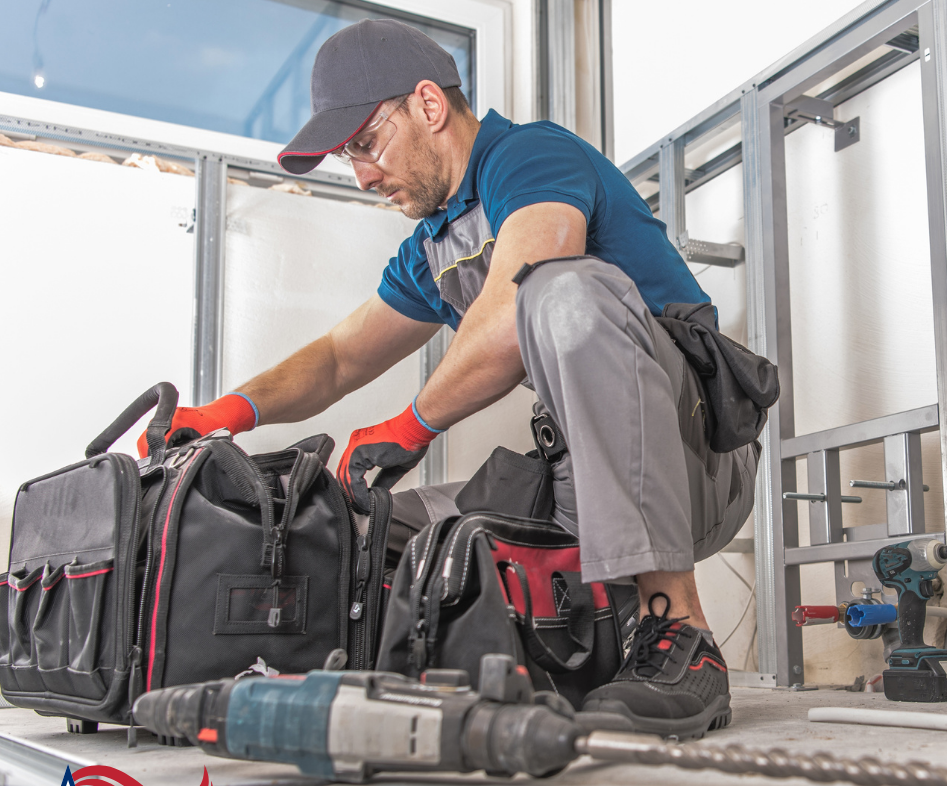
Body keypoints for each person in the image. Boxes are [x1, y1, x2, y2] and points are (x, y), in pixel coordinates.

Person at [145, 20, 756, 739]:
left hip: (697, 461)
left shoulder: (528, 157)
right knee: (350, 519)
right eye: (350, 158)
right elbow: (341, 356)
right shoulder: (434, 244)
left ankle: (680, 633)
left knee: (563, 291)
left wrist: (409, 425)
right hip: (582, 479)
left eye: (367, 144)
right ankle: (357, 664)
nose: (364, 175)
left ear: (429, 106)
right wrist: (228, 413)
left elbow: (517, 303)